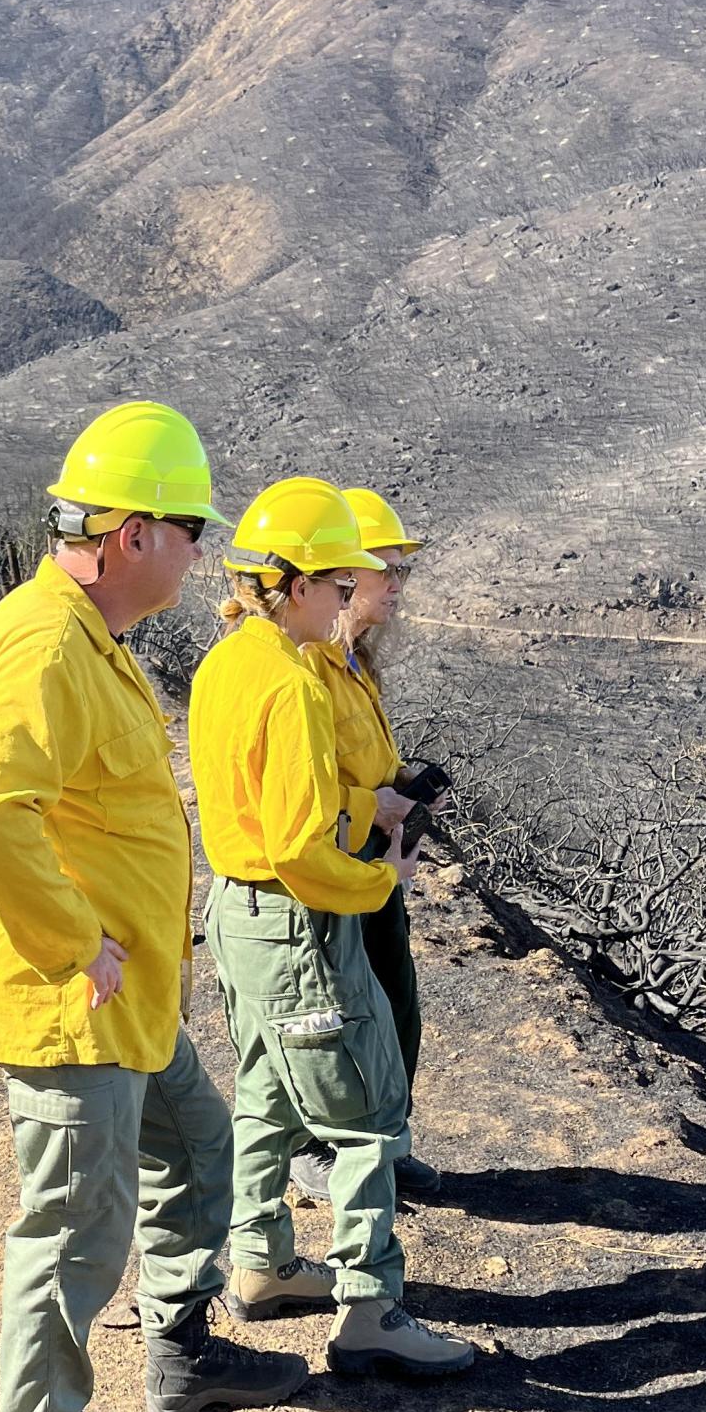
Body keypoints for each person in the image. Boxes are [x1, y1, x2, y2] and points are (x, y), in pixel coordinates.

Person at [0, 403, 310, 1412]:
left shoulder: (87, 636)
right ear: (136, 531)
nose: (204, 554)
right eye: (193, 527)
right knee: (74, 1223)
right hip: (74, 1003)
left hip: (125, 997)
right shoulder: (46, 639)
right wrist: (73, 943)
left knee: (202, 1148)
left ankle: (184, 1354)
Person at [189, 477, 475, 1379]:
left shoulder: (226, 661)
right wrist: (376, 880)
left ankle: (264, 1262)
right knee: (367, 1111)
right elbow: (303, 848)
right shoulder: (294, 684)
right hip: (297, 918)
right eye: (340, 584)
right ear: (299, 584)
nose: (350, 599)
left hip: (237, 914)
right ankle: (369, 1311)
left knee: (268, 1087)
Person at [291, 487, 441, 1202]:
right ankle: (317, 1148)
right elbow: (308, 788)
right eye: (391, 570)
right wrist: (373, 805)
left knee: (394, 1002)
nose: (398, 588)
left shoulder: (356, 666)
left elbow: (362, 762)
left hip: (378, 859)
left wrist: (403, 789)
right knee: (332, 1013)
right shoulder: (308, 670)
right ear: (348, 572)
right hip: (337, 862)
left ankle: (388, 1137)